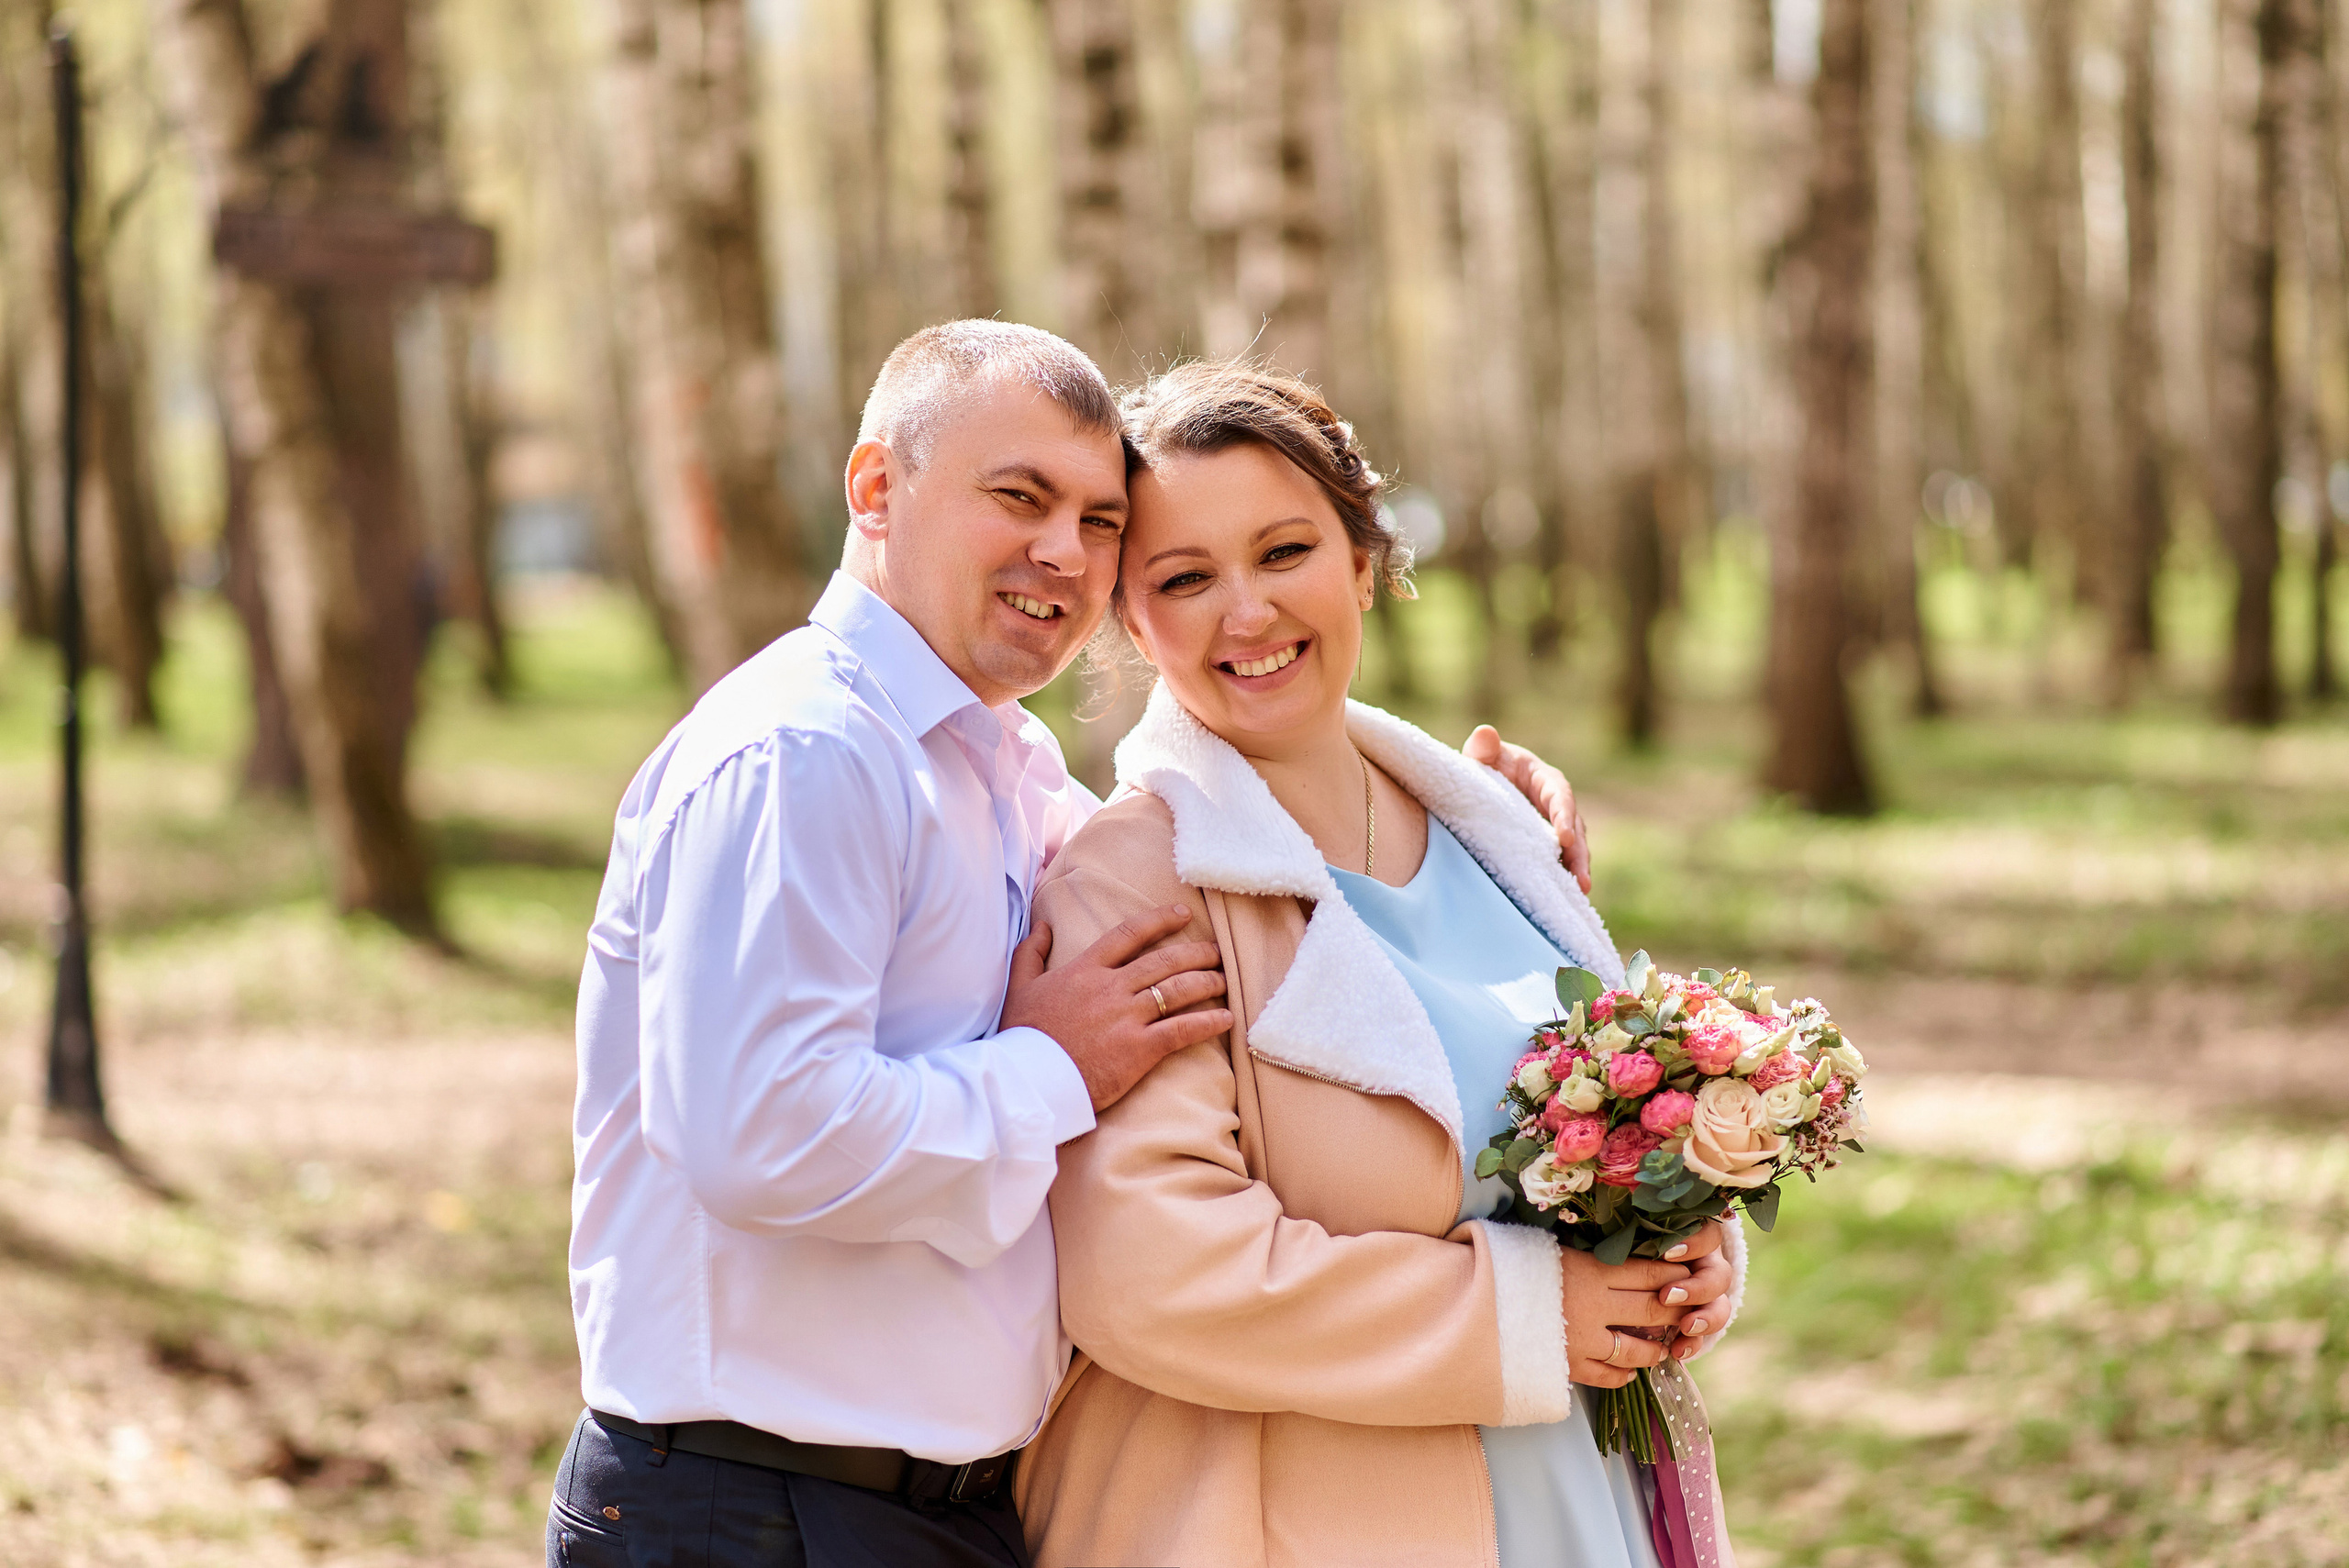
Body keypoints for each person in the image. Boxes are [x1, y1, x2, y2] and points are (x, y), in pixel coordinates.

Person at [547, 322, 1604, 1568]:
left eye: (1100, 520)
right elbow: (755, 1130)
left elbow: (1262, 854)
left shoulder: (1007, 767)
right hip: (755, 1504)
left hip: (933, 1509)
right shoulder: (805, 751)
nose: (1063, 549)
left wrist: (1491, 822)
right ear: (877, 488)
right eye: (1020, 496)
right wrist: (1049, 1067)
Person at [1014, 361, 1747, 1568]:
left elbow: (1612, 1123)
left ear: (1362, 561)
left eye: (1284, 551)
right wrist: (1527, 1316)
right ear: (1131, 622)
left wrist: (1683, 1247)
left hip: (1578, 1495)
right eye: (1185, 579)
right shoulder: (1139, 879)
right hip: (1295, 1519)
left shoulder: (1501, 834)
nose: (1243, 612)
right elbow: (1148, 1270)